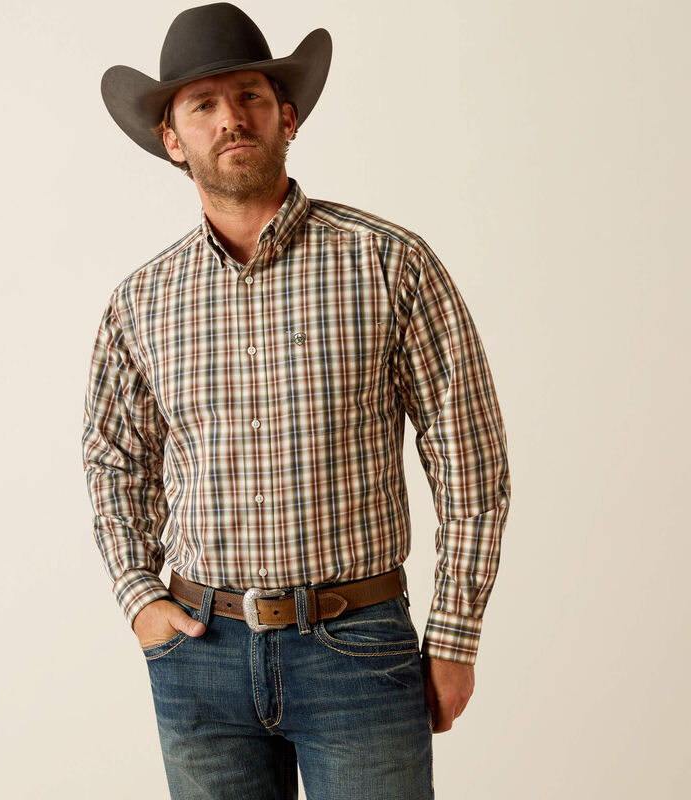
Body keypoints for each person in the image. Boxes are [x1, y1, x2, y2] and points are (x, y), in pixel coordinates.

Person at [82, 4, 511, 798]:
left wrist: (455, 636)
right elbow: (114, 463)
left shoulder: (389, 263)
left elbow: (471, 457)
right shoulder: (141, 303)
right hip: (200, 655)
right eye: (202, 105)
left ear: (288, 116)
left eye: (249, 96)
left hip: (358, 648)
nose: (230, 119)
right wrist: (139, 596)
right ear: (172, 139)